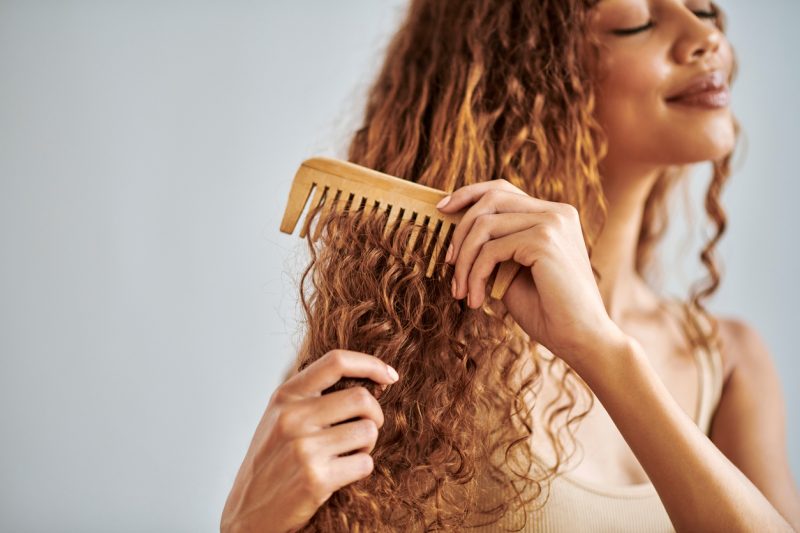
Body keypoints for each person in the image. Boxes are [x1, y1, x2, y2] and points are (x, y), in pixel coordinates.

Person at [220, 0, 800, 531]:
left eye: (706, 9)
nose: (706, 36)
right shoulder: (411, 348)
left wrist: (600, 347)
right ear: (531, 76)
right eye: (636, 21)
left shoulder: (729, 364)